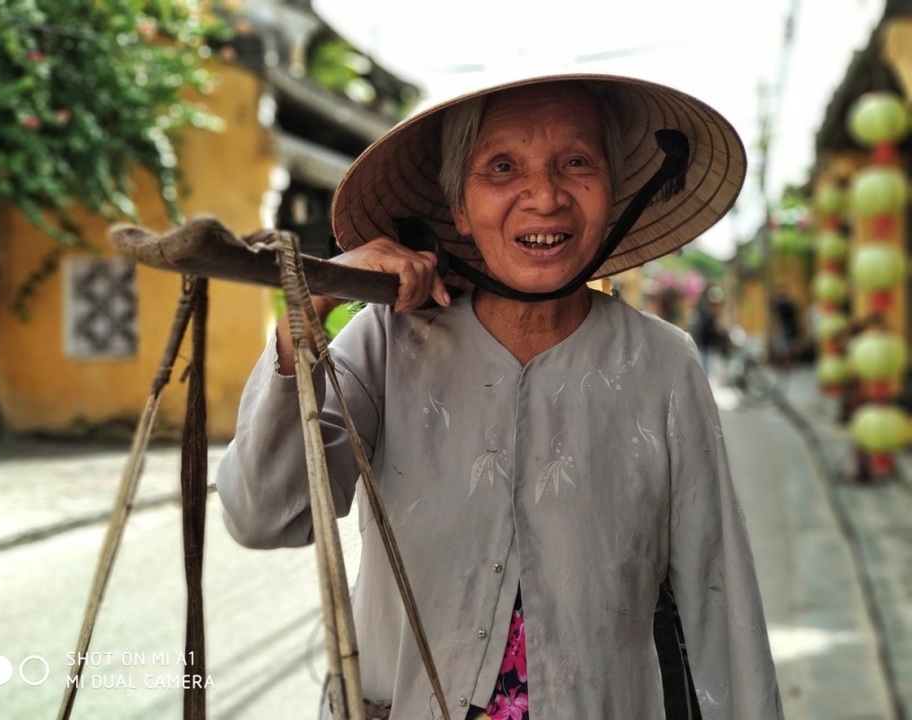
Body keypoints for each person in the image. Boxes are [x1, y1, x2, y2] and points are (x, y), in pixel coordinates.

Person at [216, 74, 783, 719]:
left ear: (614, 190)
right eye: (502, 167)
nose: (544, 196)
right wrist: (312, 304)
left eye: (576, 162)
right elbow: (264, 515)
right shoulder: (390, 341)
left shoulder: (662, 364)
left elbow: (718, 590)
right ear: (458, 207)